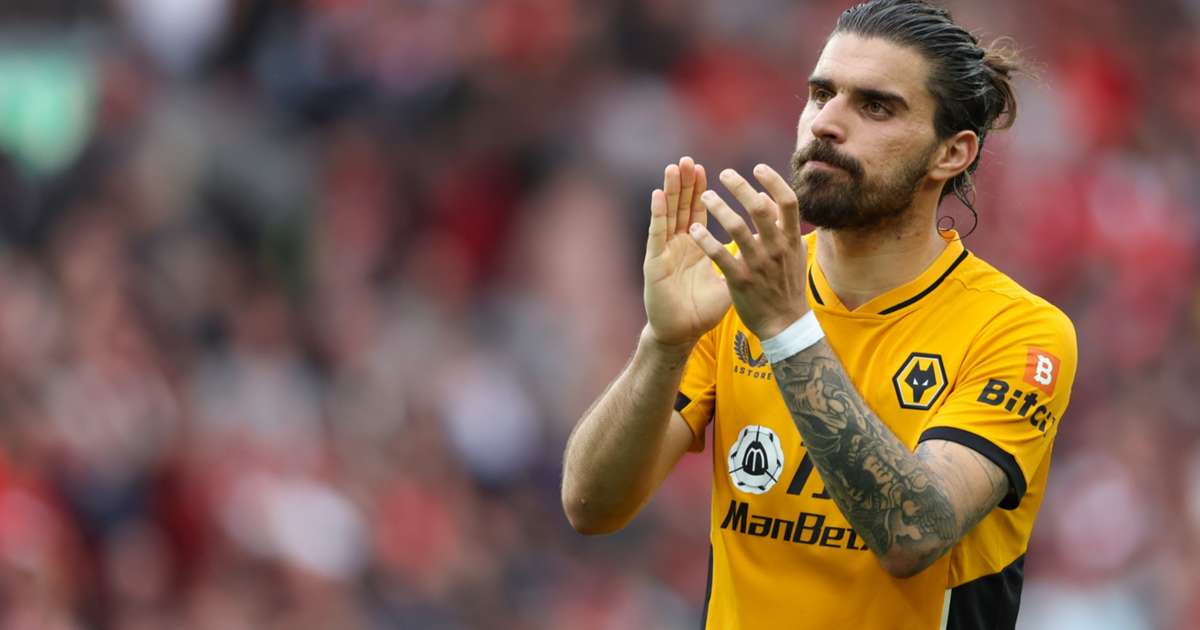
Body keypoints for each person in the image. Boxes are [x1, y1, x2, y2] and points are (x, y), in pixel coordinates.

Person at [561, 0, 1078, 628]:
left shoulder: (1018, 330)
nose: (827, 123)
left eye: (876, 107)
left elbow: (913, 533)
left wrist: (786, 329)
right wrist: (662, 344)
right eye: (821, 94)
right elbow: (591, 507)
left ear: (952, 153)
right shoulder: (741, 284)